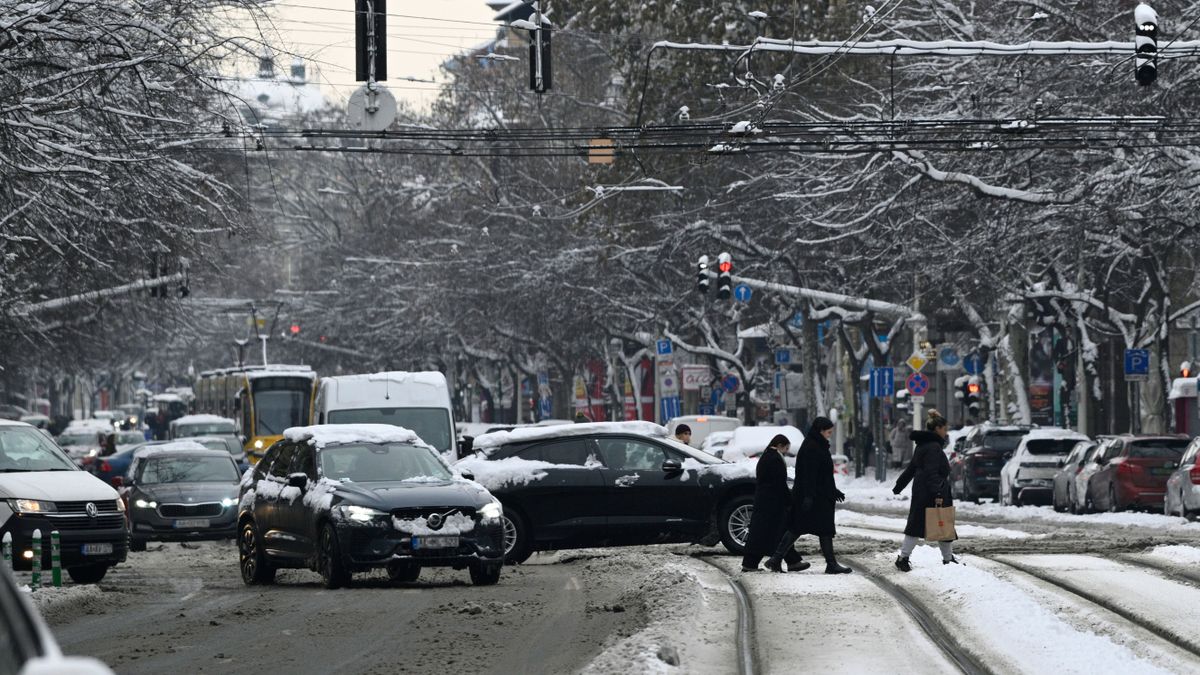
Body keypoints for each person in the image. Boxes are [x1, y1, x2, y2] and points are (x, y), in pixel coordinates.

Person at [769, 417, 851, 574]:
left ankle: (777, 559)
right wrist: (808, 496)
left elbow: (823, 475)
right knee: (800, 527)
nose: (830, 435)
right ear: (820, 431)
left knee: (813, 528)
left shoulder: (817, 444)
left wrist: (834, 491)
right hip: (813, 497)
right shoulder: (812, 447)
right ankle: (777, 559)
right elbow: (809, 474)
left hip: (818, 495)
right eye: (828, 432)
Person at [892, 408, 959, 571]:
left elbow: (912, 468)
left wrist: (899, 485)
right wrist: (938, 494)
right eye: (944, 429)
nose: (946, 432)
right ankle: (946, 559)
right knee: (941, 524)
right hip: (933, 491)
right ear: (937, 429)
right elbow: (931, 473)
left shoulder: (923, 446)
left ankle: (907, 557)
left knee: (921, 526)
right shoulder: (933, 448)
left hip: (923, 491)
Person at [741, 434, 809, 572]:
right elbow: (779, 483)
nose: (786, 451)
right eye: (786, 448)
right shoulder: (774, 459)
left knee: (772, 533)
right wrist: (789, 499)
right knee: (770, 533)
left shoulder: (767, 456)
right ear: (779, 445)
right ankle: (754, 564)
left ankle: (788, 561)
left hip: (766, 501)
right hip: (771, 503)